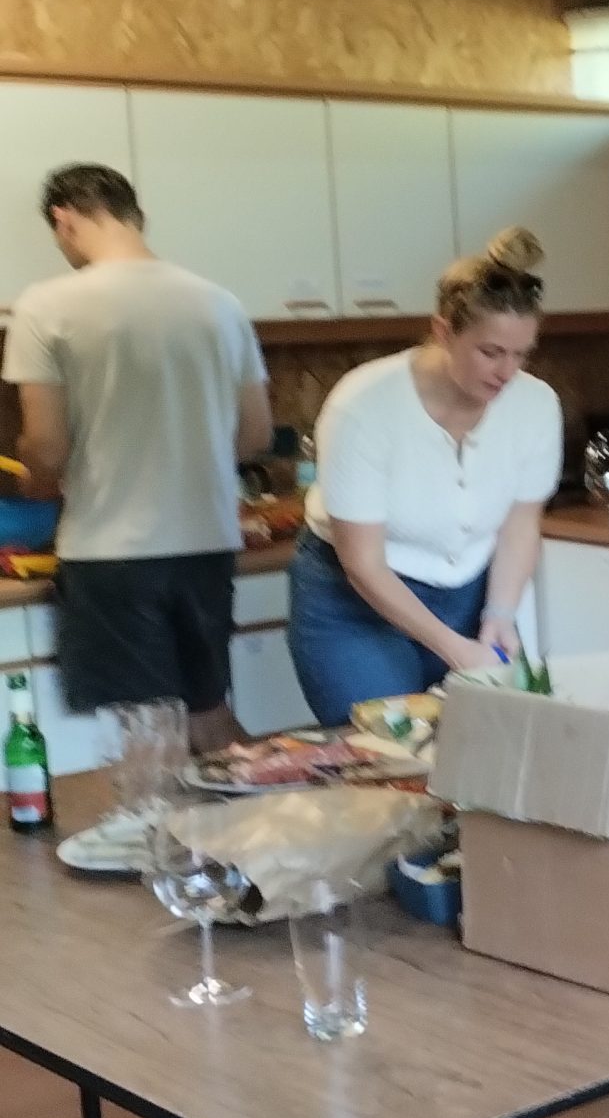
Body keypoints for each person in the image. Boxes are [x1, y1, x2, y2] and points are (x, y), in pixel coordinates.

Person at [5, 164, 271, 753]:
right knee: (208, 718)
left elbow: (45, 447)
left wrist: (37, 478)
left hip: (111, 553)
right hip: (207, 545)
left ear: (63, 220)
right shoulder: (219, 304)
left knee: (148, 737)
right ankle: (271, 805)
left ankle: (196, 816)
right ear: (135, 217)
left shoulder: (46, 306)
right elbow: (255, 434)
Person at [288, 228, 560, 724]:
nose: (507, 372)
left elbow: (521, 524)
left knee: (480, 747)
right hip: (355, 604)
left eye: (522, 354)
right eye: (490, 352)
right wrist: (455, 649)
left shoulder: (536, 405)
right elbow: (363, 564)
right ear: (443, 331)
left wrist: (499, 614)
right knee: (385, 750)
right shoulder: (363, 407)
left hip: (470, 594)